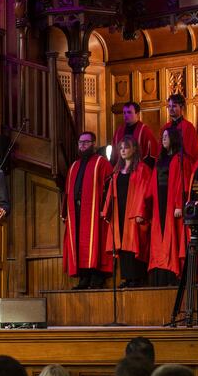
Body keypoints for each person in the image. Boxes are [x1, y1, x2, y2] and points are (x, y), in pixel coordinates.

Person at [63, 132, 113, 289]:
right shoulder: (74, 166)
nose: (83, 145)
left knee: (94, 242)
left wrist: (104, 209)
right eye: (80, 143)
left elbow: (109, 188)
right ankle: (83, 278)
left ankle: (97, 278)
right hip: (76, 211)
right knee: (79, 244)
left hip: (94, 211)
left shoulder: (101, 163)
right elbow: (67, 191)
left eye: (86, 142)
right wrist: (65, 212)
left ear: (93, 144)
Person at [102, 136, 152, 288]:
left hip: (134, 212)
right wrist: (107, 211)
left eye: (126, 147)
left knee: (134, 243)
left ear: (134, 149)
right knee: (122, 245)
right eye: (121, 148)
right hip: (120, 212)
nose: (123, 150)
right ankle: (127, 278)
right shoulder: (117, 171)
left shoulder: (142, 169)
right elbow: (111, 192)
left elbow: (146, 191)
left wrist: (140, 212)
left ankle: (137, 278)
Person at [143, 128, 190, 286]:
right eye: (162, 136)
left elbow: (182, 183)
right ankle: (160, 275)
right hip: (159, 203)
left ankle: (173, 275)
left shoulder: (180, 159)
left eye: (166, 137)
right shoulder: (160, 160)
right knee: (159, 237)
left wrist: (179, 204)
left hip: (172, 204)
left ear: (174, 138)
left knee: (172, 236)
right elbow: (151, 185)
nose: (163, 139)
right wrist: (146, 205)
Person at [110, 101, 159, 167]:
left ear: (137, 114)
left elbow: (151, 154)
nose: (126, 115)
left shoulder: (144, 130)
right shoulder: (119, 131)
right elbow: (114, 153)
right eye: (124, 113)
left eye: (129, 112)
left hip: (138, 170)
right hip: (121, 168)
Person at [162, 93, 198, 162]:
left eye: (174, 106)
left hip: (182, 165)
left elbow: (193, 152)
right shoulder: (166, 127)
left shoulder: (188, 127)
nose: (171, 109)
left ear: (182, 107)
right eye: (169, 106)